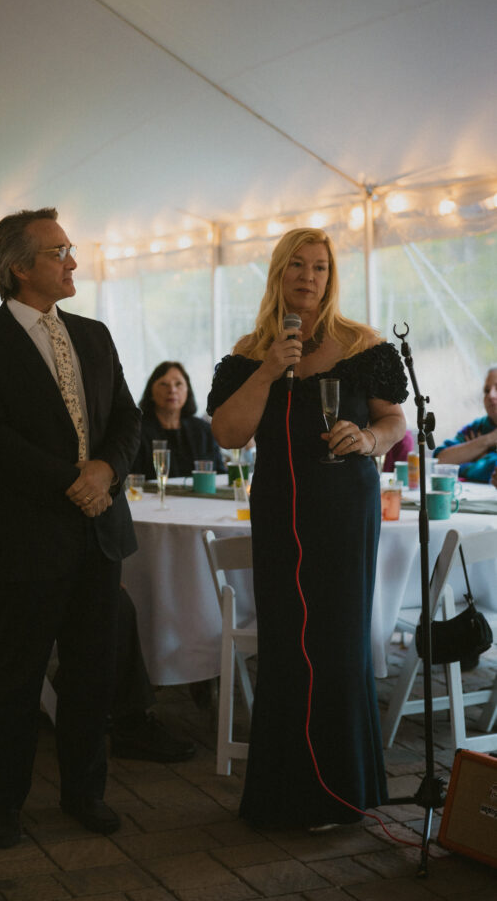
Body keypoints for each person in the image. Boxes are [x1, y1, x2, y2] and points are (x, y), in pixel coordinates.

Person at [0, 207, 141, 848]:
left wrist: (105, 471)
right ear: (19, 268)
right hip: (29, 534)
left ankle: (85, 793)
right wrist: (72, 481)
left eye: (70, 248)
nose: (72, 261)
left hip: (100, 529)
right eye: (59, 252)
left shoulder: (94, 335)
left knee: (92, 671)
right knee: (18, 674)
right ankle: (3, 804)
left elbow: (127, 419)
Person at [208, 227, 407, 831]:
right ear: (279, 273)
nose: (309, 276)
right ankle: (285, 794)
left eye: (320, 267)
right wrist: (269, 369)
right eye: (297, 265)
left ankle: (341, 793)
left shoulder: (363, 345)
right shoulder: (251, 352)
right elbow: (229, 434)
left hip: (345, 507)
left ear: (330, 277)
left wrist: (368, 438)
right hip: (280, 508)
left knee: (338, 644)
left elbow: (395, 421)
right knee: (288, 646)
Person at [0, 415, 195, 766]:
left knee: (108, 595)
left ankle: (73, 693)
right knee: (115, 605)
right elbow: (13, 533)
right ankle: (129, 722)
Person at [133, 361, 226, 478]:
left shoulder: (204, 430)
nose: (172, 390)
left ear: (187, 390)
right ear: (150, 392)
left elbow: (220, 475)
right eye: (164, 384)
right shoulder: (137, 431)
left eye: (178, 384)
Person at [433, 365, 497, 483]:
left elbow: (493, 469)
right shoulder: (477, 427)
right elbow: (439, 461)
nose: (490, 395)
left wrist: (472, 459)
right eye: (487, 391)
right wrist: (488, 440)